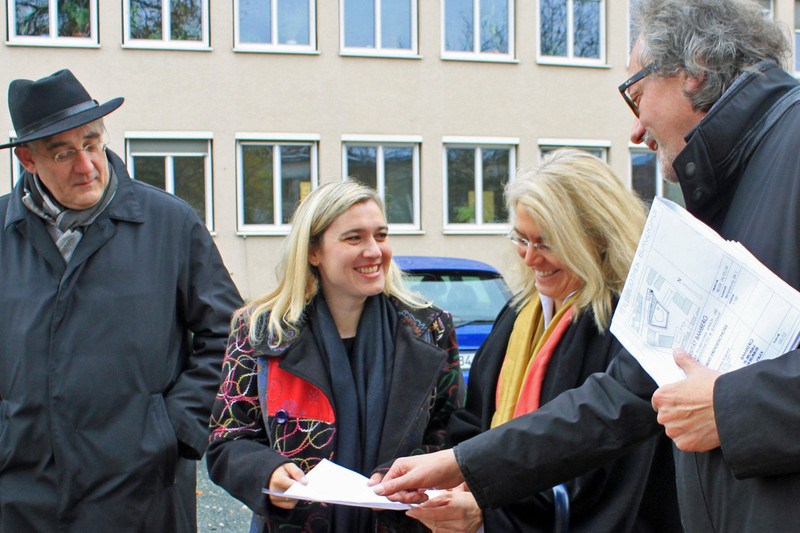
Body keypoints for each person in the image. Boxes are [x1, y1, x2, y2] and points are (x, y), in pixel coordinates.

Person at [373, 0, 800, 531]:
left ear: (696, 73)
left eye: (636, 95)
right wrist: (464, 465)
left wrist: (735, 407)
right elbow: (621, 398)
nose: (635, 131)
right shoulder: (726, 188)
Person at [0, 69, 243, 532]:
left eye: (92, 143)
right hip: (23, 497)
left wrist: (173, 429)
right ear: (28, 160)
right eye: (64, 152)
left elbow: (231, 336)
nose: (87, 165)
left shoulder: (168, 223)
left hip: (143, 492)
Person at [406, 149, 679, 533]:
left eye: (547, 243)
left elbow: (613, 472)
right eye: (521, 238)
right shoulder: (520, 312)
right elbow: (474, 418)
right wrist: (457, 479)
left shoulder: (629, 325)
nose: (530, 258)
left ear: (598, 238)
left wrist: (493, 512)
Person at [206, 180, 464, 532]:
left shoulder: (429, 328)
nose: (374, 251)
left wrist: (409, 471)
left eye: (381, 235)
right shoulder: (262, 330)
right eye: (354, 238)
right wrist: (267, 472)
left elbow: (453, 432)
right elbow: (228, 438)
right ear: (314, 252)